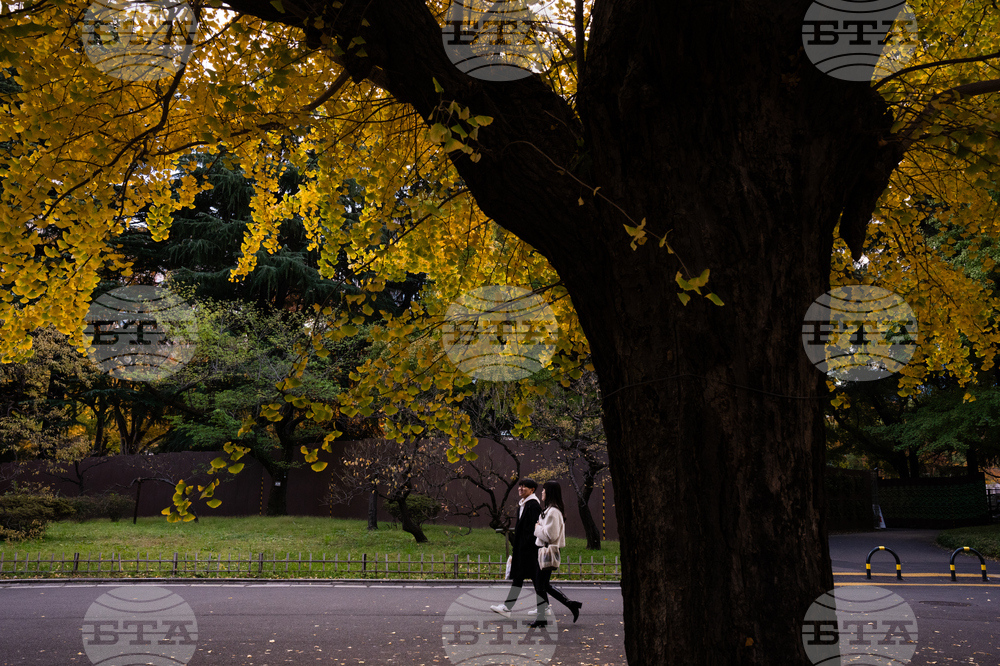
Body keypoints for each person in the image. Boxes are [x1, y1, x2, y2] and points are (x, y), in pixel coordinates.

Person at [529, 480, 582, 627]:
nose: (542, 493)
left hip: (548, 551)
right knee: (543, 585)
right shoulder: (549, 510)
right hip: (544, 551)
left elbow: (550, 536)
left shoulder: (553, 512)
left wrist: (537, 528)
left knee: (540, 585)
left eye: (544, 490)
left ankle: (542, 618)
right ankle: (571, 605)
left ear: (549, 492)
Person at [490, 478, 541, 619]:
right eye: (520, 486)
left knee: (523, 578)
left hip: (529, 550)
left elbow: (534, 528)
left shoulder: (533, 505)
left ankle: (508, 607)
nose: (520, 489)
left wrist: (526, 546)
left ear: (532, 490)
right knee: (531, 579)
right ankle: (544, 606)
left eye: (524, 487)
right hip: (524, 549)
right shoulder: (524, 504)